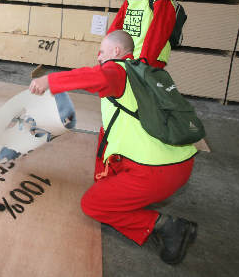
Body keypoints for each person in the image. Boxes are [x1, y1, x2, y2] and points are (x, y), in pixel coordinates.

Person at [29, 30, 198, 265]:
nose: (98, 57)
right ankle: (134, 198)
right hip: (179, 160)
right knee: (107, 180)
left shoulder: (117, 70)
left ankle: (167, 226)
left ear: (117, 52)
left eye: (102, 51)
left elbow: (97, 77)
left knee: (94, 204)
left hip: (157, 171)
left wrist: (50, 81)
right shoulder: (141, 71)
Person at [107, 0, 176, 69]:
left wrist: (144, 62)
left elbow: (157, 34)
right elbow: (116, 28)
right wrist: (107, 53)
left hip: (149, 61)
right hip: (130, 59)